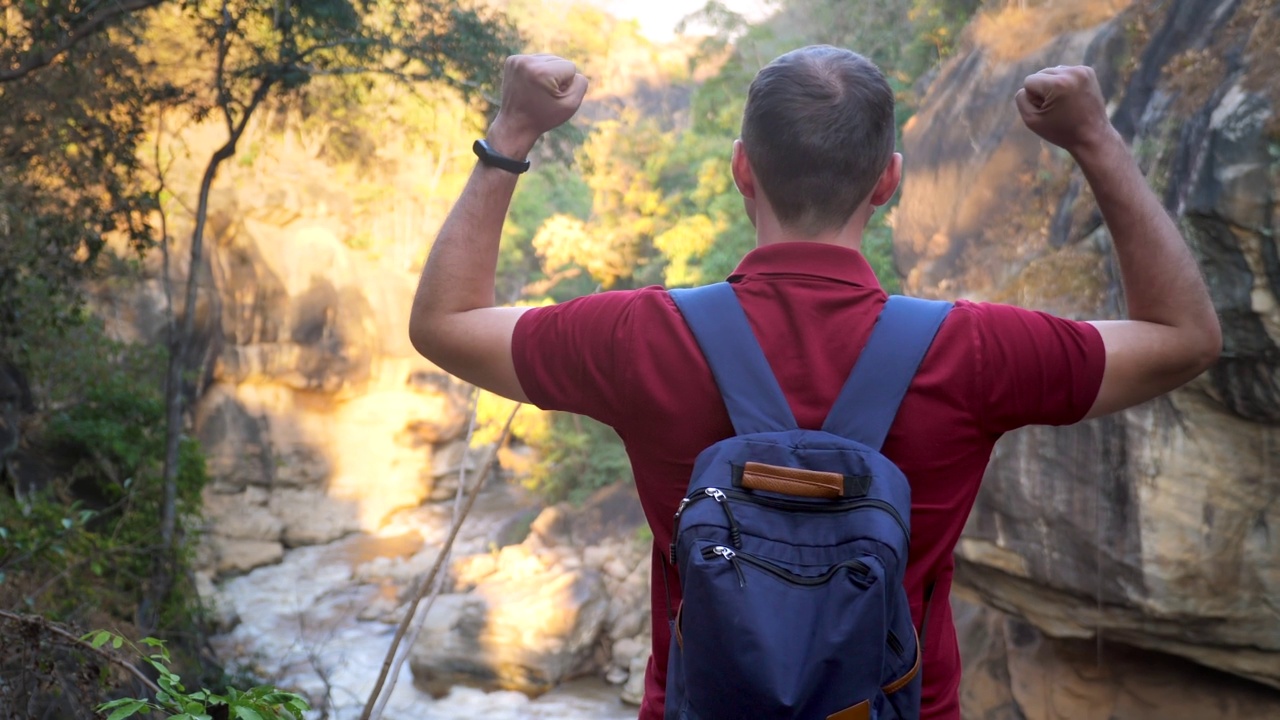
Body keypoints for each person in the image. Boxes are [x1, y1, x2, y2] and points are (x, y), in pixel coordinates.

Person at [408, 47, 1221, 719]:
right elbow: (1182, 339)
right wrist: (1095, 140)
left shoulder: (638, 334)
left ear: (740, 171)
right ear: (889, 181)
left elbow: (445, 325)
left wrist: (513, 127)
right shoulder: (976, 348)